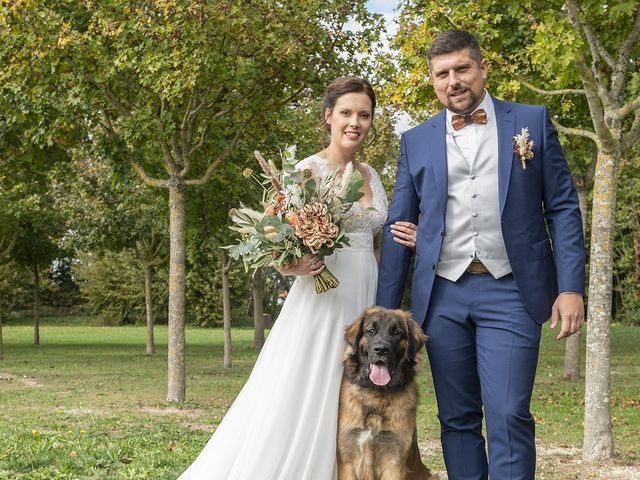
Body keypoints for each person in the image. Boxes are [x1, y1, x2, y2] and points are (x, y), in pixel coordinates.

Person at [178, 77, 417, 480]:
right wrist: (291, 264)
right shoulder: (308, 170)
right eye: (346, 113)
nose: (355, 122)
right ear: (328, 116)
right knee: (311, 384)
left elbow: (374, 240)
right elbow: (275, 241)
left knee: (352, 393)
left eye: (364, 114)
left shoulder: (372, 175)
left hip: (365, 294)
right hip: (322, 295)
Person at [377, 30, 586, 480]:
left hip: (511, 290)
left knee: (509, 413)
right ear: (433, 81)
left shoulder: (531, 120)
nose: (454, 80)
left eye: (462, 69)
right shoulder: (415, 139)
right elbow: (398, 228)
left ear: (482, 68)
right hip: (443, 295)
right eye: (442, 73)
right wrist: (387, 309)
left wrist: (570, 287)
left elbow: (564, 207)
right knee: (457, 419)